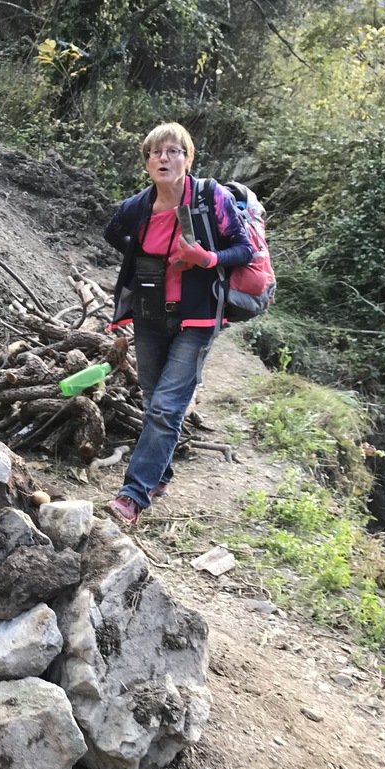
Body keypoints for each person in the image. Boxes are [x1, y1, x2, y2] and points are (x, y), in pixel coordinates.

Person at [102, 122, 253, 524]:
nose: (163, 158)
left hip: (199, 316)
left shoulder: (210, 197)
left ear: (188, 159)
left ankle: (133, 495)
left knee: (166, 407)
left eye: (173, 151)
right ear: (147, 162)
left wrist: (207, 259)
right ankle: (160, 476)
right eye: (155, 152)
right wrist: (143, 259)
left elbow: (244, 249)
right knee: (154, 402)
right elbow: (113, 233)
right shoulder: (137, 207)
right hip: (150, 314)